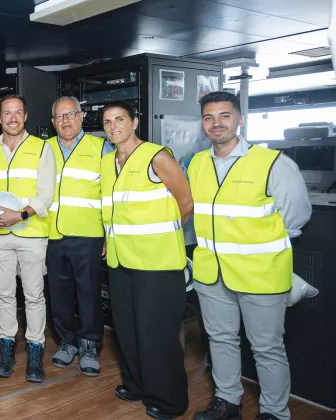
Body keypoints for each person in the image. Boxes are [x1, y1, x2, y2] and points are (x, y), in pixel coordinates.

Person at [189, 92, 311, 420]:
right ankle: (228, 402)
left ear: (240, 119)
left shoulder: (272, 163)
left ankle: (274, 412)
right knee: (221, 340)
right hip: (212, 273)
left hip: (260, 274)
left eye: (224, 116)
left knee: (266, 349)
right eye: (208, 117)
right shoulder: (197, 163)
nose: (216, 124)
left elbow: (296, 217)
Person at [100, 101, 192, 420]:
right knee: (126, 328)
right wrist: (109, 240)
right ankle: (136, 384)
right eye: (108, 121)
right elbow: (113, 209)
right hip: (120, 260)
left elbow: (186, 202)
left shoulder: (157, 156)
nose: (114, 126)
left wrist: (163, 237)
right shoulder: (108, 161)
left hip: (157, 262)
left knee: (157, 332)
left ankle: (169, 400)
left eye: (120, 119)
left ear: (135, 122)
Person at [0, 94, 55, 383]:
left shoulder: (41, 148)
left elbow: (46, 193)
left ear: (25, 116)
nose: (12, 118)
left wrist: (20, 215)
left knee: (34, 295)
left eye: (18, 113)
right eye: (7, 113)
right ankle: (6, 348)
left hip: (32, 233)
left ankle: (35, 350)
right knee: (3, 294)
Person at [45, 96, 111, 377]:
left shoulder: (101, 148)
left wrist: (109, 233)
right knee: (58, 295)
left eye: (70, 114)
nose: (65, 121)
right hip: (52, 234)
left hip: (88, 235)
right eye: (59, 117)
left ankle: (89, 344)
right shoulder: (43, 149)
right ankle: (67, 342)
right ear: (53, 122)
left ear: (82, 116)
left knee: (88, 294)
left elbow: (111, 194)